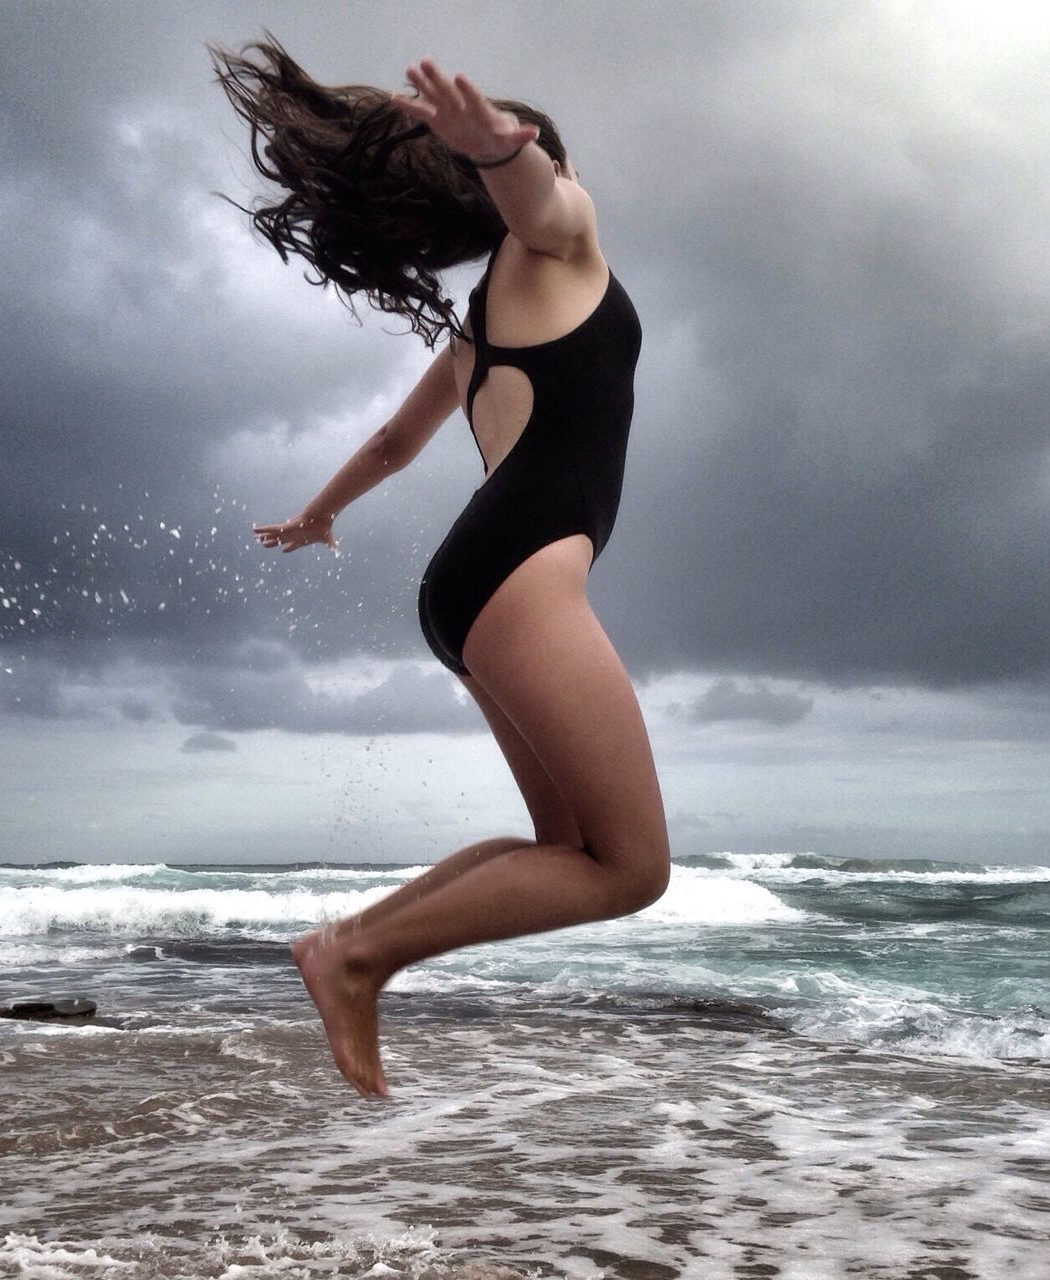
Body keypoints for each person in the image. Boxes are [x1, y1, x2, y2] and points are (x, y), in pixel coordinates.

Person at [213, 37, 670, 1097]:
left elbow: (391, 443)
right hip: (518, 574)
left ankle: (347, 942)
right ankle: (356, 958)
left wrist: (317, 514)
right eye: (532, 168)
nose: (554, 184)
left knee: (561, 842)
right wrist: (509, 157)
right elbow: (544, 206)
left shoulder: (476, 325)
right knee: (630, 869)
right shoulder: (560, 244)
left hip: (473, 582)